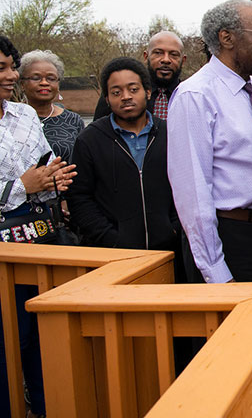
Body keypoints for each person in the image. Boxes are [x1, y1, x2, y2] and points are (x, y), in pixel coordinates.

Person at [167, 0, 252, 284]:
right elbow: (193, 192)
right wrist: (215, 271)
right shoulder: (195, 95)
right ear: (226, 37)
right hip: (231, 239)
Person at [0, 35, 77, 418]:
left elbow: (44, 168)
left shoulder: (25, 115)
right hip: (3, 255)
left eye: (12, 66)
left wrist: (56, 178)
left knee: (42, 339)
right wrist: (19, 188)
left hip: (41, 241)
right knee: (7, 344)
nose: (12, 75)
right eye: (3, 68)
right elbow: (26, 181)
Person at [68, 57, 180, 253]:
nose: (126, 97)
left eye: (133, 89)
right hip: (111, 253)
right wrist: (110, 238)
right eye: (116, 92)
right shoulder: (90, 140)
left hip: (169, 250)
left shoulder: (170, 134)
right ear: (107, 99)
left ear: (147, 91)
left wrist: (174, 229)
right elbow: (79, 198)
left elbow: (186, 187)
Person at [94, 30, 187, 120]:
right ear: (146, 56)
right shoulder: (118, 94)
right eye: (158, 53)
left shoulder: (190, 97)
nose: (166, 60)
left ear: (183, 60)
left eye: (173, 54)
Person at [18, 50, 85, 161]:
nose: (44, 83)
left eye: (51, 78)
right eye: (36, 78)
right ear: (22, 84)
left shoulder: (73, 120)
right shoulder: (9, 116)